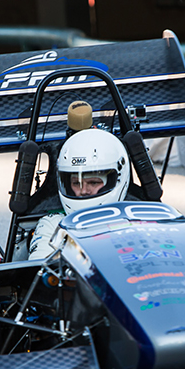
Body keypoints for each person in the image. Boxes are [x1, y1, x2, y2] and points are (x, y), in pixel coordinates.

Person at [27, 102, 131, 259]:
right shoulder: (53, 225)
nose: (83, 191)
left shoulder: (135, 221)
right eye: (76, 183)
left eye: (93, 182)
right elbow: (39, 268)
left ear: (116, 179)